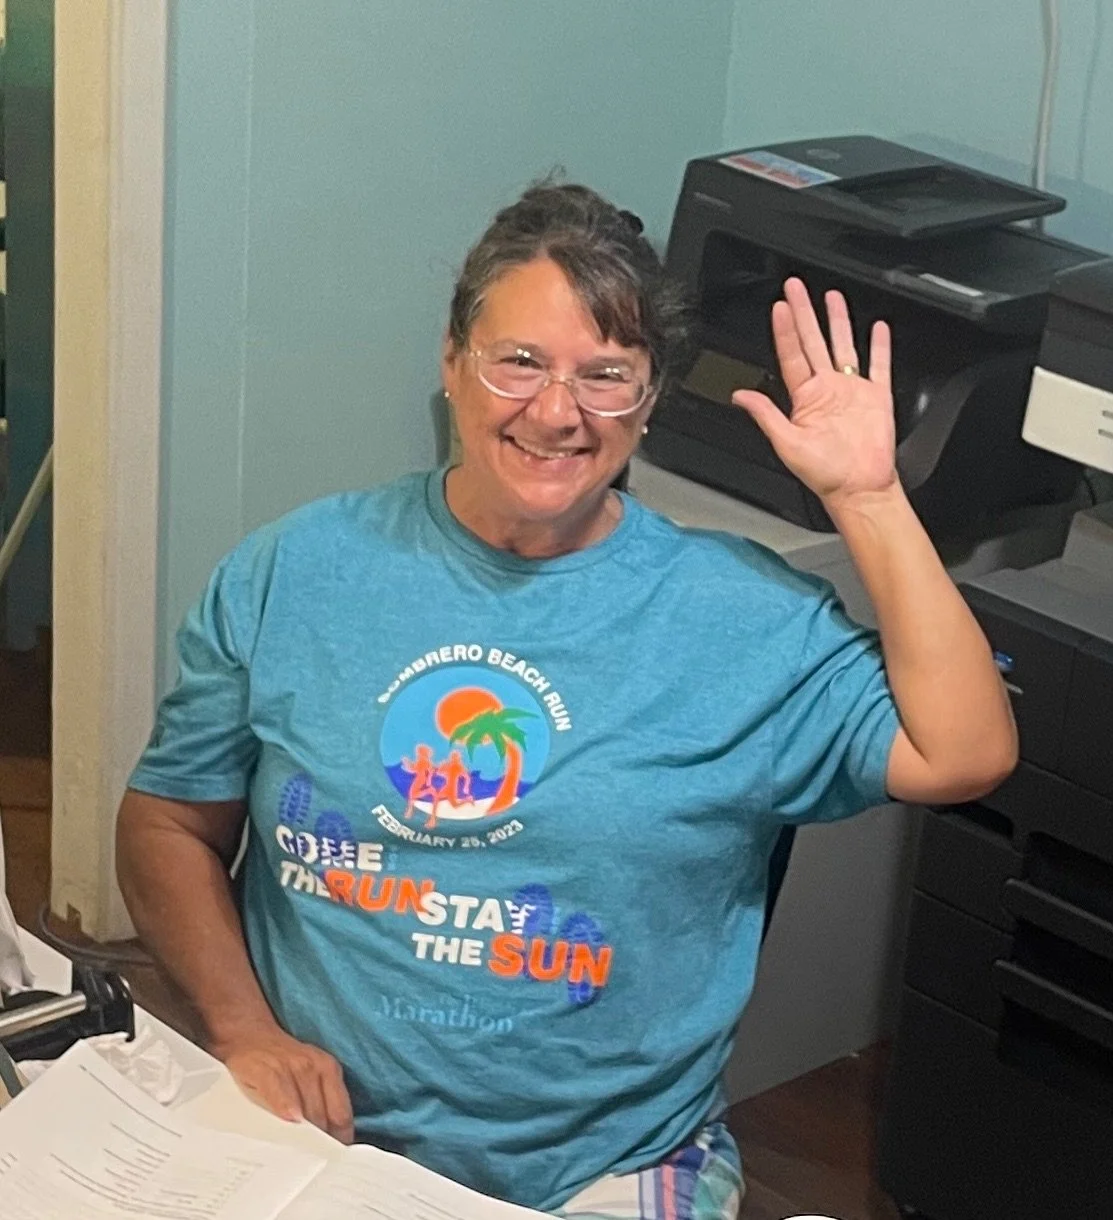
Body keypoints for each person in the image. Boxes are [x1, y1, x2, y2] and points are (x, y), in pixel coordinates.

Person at [116, 182, 1017, 1219]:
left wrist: (867, 495)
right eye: (520, 362)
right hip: (318, 1141)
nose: (556, 411)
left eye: (606, 376)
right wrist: (244, 1031)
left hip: (606, 1168)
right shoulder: (296, 569)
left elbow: (967, 751)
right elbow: (169, 820)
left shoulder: (739, 617)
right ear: (452, 362)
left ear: (649, 397)